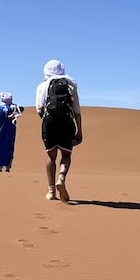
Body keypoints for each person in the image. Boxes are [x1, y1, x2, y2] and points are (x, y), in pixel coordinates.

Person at [35, 60, 83, 202]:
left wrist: (46, 121)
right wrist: (79, 131)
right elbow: (77, 110)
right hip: (67, 122)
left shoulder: (42, 86)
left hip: (49, 122)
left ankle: (51, 191)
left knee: (50, 156)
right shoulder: (71, 84)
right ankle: (61, 178)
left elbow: (39, 109)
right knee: (66, 155)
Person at [0, 92, 24, 172]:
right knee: (9, 149)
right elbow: (21, 109)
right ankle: (8, 166)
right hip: (11, 133)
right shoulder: (14, 109)